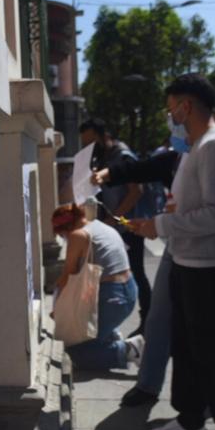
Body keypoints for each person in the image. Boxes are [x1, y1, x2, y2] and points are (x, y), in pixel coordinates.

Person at [127, 73, 215, 430]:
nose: (170, 117)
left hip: (208, 268)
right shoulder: (196, 147)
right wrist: (171, 215)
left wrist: (160, 224)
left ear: (187, 107)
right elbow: (197, 204)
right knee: (188, 347)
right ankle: (190, 419)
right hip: (186, 261)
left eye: (170, 109)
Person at [93, 150, 180, 407]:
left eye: (174, 109)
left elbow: (214, 215)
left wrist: (158, 225)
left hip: (205, 259)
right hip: (176, 249)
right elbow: (147, 167)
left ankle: (203, 410)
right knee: (159, 321)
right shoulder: (179, 157)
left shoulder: (214, 148)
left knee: (205, 332)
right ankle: (148, 386)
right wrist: (107, 174)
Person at [80, 119, 152, 337]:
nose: (89, 148)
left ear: (103, 136)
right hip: (115, 226)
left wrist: (115, 219)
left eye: (91, 142)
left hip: (129, 226)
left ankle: (148, 322)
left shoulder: (123, 156)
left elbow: (136, 190)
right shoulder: (105, 157)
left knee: (136, 273)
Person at [52, 203, 138, 370]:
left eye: (62, 234)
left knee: (76, 353)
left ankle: (130, 349)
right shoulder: (101, 226)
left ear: (66, 228)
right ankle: (109, 337)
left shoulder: (78, 235)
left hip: (112, 297)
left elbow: (67, 276)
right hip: (128, 290)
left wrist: (58, 307)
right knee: (86, 339)